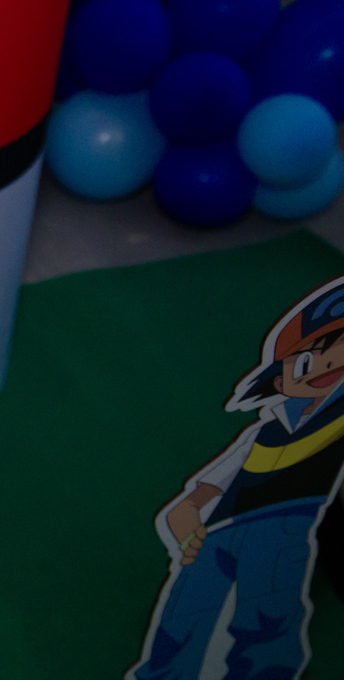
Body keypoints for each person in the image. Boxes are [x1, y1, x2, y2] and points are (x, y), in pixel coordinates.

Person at [130, 276, 344, 680]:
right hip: (218, 527)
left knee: (266, 616)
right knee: (186, 610)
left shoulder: (335, 419)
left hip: (281, 525)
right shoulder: (268, 428)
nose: (329, 365)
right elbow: (223, 473)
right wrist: (189, 506)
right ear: (279, 381)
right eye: (308, 360)